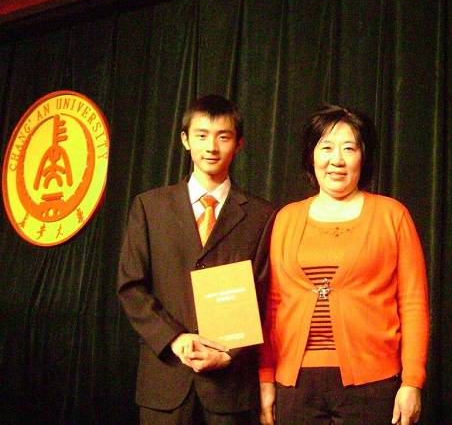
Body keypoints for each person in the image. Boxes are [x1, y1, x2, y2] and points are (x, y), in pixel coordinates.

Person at [259, 105, 429, 425]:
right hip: (295, 385)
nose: (336, 160)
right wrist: (266, 378)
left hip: (373, 385)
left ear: (363, 157)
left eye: (349, 148)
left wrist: (412, 382)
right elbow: (273, 306)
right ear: (311, 156)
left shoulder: (392, 215)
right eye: (326, 147)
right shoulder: (285, 219)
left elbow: (413, 304)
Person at [117, 94, 275, 425]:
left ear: (239, 144)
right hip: (165, 382)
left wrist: (228, 354)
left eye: (223, 137)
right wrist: (174, 338)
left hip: (230, 389)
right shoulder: (150, 207)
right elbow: (131, 287)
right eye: (201, 135)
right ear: (185, 140)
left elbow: (264, 297)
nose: (211, 147)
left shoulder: (262, 216)